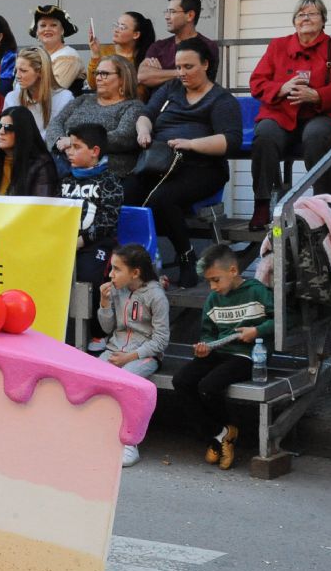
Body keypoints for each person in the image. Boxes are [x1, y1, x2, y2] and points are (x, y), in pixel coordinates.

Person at [138, 40, 243, 286]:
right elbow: (146, 114)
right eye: (178, 66)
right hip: (161, 162)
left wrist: (192, 143)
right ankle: (135, 262)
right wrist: (143, 130)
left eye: (188, 66)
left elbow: (231, 141)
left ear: (205, 65)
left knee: (163, 199)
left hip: (203, 168)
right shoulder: (171, 88)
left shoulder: (221, 99)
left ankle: (186, 256)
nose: (182, 73)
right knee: (128, 194)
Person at [246, 0, 331, 228]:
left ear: (323, 20)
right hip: (281, 113)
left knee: (316, 136)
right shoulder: (278, 45)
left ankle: (321, 203)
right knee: (264, 133)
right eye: (301, 14)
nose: (306, 18)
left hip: (320, 113)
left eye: (312, 13)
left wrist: (317, 95)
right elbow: (257, 82)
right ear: (294, 22)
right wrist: (281, 88)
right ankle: (263, 203)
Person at [172, 244, 274, 470]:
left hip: (247, 356)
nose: (212, 286)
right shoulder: (213, 299)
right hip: (219, 352)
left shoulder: (257, 292)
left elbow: (283, 321)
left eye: (216, 280)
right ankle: (220, 434)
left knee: (208, 386)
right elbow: (208, 334)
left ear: (233, 271)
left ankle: (218, 438)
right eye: (209, 282)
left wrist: (257, 331)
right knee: (181, 381)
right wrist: (205, 347)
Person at [97, 243, 169, 467]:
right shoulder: (117, 291)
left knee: (126, 384)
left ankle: (129, 443)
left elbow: (161, 340)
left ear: (135, 272)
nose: (111, 274)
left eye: (117, 269)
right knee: (92, 378)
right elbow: (108, 328)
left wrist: (129, 358)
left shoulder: (156, 296)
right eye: (112, 268)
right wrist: (104, 303)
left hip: (143, 355)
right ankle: (98, 436)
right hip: (115, 350)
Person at [45, 56, 148, 183]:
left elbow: (123, 137)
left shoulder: (133, 106)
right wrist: (61, 143)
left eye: (104, 74)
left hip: (107, 173)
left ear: (123, 78)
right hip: (65, 163)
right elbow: (55, 123)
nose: (98, 78)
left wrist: (74, 143)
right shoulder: (83, 99)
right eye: (97, 73)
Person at [59, 122, 123, 294]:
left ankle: (96, 320)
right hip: (64, 241)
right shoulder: (66, 180)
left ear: (94, 151)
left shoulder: (109, 182)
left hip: (96, 244)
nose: (69, 152)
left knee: (87, 277)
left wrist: (82, 240)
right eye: (69, 146)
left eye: (76, 147)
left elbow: (107, 220)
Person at [139, 0, 220, 90]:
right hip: (159, 104)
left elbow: (199, 81)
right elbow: (142, 76)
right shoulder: (159, 46)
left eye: (172, 12)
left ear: (190, 15)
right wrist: (184, 72)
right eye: (167, 12)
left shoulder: (207, 46)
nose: (167, 17)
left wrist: (159, 74)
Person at [0, 106, 58, 198]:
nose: (1, 132)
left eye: (8, 128)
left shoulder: (41, 164)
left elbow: (41, 206)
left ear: (23, 132)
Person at [4, 46, 73, 139]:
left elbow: (56, 134)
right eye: (16, 70)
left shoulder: (64, 98)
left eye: (23, 71)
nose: (17, 76)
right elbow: (6, 132)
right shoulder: (12, 98)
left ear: (40, 72)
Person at [87, 11, 157, 100]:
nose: (116, 30)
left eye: (122, 27)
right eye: (116, 25)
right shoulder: (104, 50)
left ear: (136, 35)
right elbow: (93, 85)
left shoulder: (145, 57)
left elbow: (141, 94)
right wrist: (95, 54)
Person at [30, 4, 84, 91]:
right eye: (43, 25)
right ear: (37, 31)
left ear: (62, 30)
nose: (47, 29)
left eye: (53, 25)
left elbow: (55, 90)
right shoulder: (32, 55)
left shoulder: (69, 56)